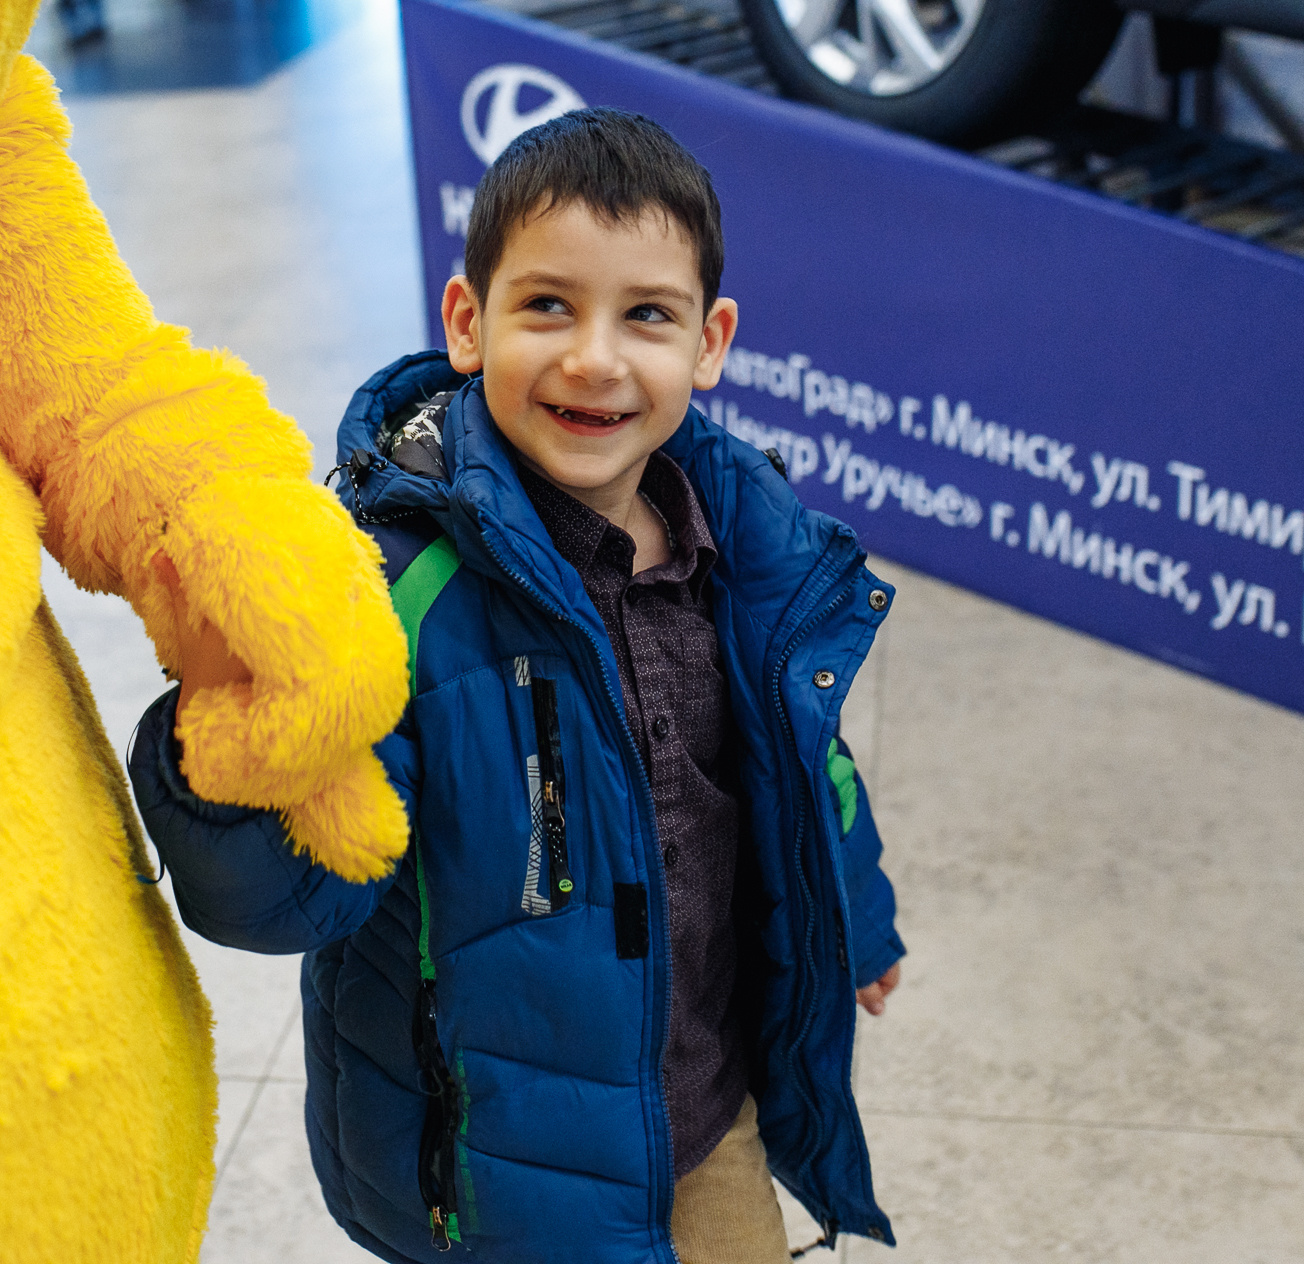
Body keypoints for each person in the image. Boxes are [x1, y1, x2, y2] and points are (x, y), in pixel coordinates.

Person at [130, 107, 905, 1263]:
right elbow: (289, 899)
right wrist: (225, 730)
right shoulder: (390, 593)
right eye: (548, 304)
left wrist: (864, 917)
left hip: (707, 1109)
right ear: (467, 321)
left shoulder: (747, 556)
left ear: (710, 342)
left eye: (646, 314)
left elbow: (808, 772)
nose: (594, 357)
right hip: (499, 1181)